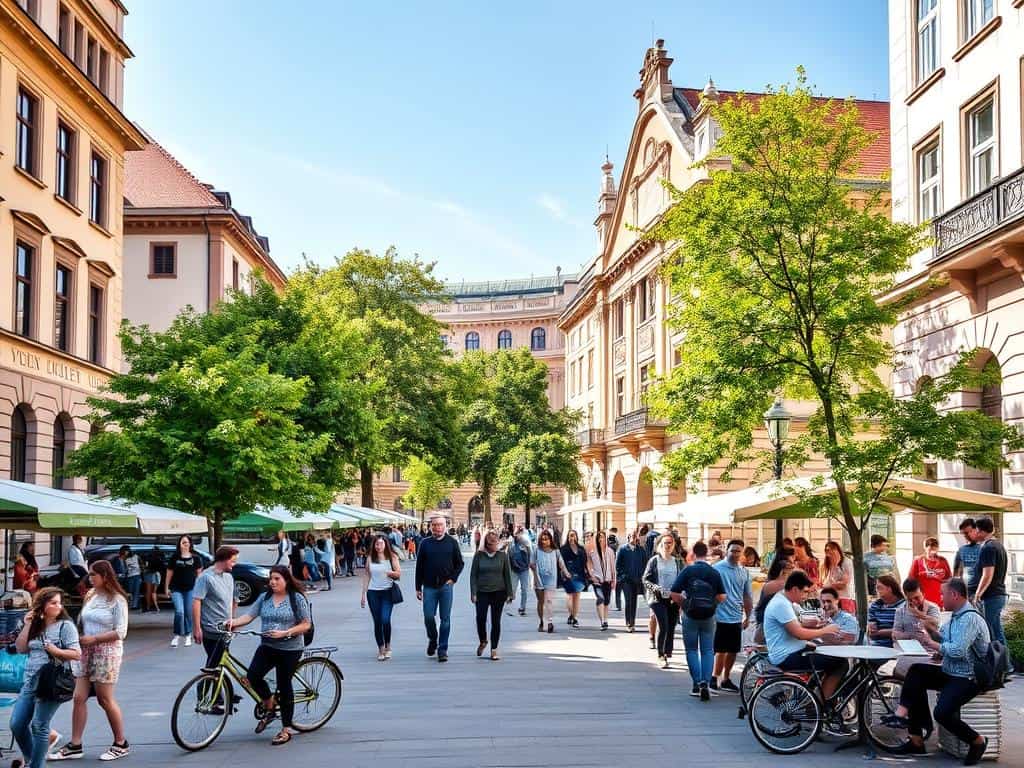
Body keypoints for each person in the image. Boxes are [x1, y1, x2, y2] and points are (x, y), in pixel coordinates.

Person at [881, 578, 990, 763]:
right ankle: (913, 736)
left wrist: (933, 644)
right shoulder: (956, 617)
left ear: (954, 595)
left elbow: (957, 650)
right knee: (916, 673)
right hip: (952, 671)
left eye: (943, 594)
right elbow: (948, 642)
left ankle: (977, 741)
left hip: (969, 677)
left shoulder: (969, 618)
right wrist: (934, 637)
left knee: (942, 713)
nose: (940, 598)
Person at [51, 560, 130, 762]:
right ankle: (75, 744)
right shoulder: (90, 595)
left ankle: (121, 742)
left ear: (105, 576)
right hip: (85, 650)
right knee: (78, 698)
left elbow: (121, 632)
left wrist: (95, 638)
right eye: (90, 574)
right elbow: (82, 621)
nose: (90, 578)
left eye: (94, 575)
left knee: (105, 699)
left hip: (107, 652)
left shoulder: (117, 600)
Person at [227, 565, 311, 746]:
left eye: (277, 579)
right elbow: (249, 616)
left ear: (286, 580)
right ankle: (270, 706)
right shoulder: (264, 597)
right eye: (271, 579)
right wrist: (232, 623)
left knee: (284, 684)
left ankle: (287, 729)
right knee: (252, 677)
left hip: (290, 648)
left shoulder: (296, 598)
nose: (272, 582)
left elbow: (306, 624)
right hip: (267, 646)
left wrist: (286, 632)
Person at [11, 588, 81, 768]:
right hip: (30, 681)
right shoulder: (34, 625)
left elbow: (76, 654)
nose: (58, 606)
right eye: (53, 603)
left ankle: (36, 765)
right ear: (42, 606)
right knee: (17, 724)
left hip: (51, 681)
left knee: (39, 725)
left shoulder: (66, 626)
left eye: (59, 603)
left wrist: (56, 651)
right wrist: (27, 624)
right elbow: (20, 648)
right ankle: (31, 759)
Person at [762, 571, 844, 700]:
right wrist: (826, 630)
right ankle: (821, 704)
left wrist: (813, 626)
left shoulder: (783, 600)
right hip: (786, 656)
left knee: (821, 651)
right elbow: (799, 634)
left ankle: (808, 697)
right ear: (794, 589)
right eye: (805, 592)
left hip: (789, 651)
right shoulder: (781, 604)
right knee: (841, 663)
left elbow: (794, 627)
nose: (806, 596)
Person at [671, 541, 726, 698]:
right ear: (707, 553)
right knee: (708, 650)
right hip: (709, 615)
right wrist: (712, 604)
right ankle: (706, 682)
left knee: (691, 650)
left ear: (693, 554)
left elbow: (674, 593)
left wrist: (686, 605)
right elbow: (722, 596)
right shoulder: (714, 572)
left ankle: (697, 683)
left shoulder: (688, 571)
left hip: (691, 615)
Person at [415, 515, 464, 663]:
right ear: (431, 527)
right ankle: (433, 639)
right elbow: (419, 566)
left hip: (446, 587)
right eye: (434, 525)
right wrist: (418, 587)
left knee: (445, 619)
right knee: (428, 616)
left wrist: (453, 578)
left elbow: (460, 563)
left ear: (445, 526)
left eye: (440, 525)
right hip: (429, 586)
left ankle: (442, 649)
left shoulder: (452, 542)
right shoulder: (425, 543)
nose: (437, 527)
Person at [710, 539, 753, 694]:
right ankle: (714, 677)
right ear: (726, 551)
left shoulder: (744, 572)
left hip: (736, 616)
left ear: (742, 553)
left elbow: (747, 595)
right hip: (719, 616)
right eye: (732, 550)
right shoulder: (716, 569)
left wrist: (748, 616)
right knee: (720, 649)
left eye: (738, 551)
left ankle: (726, 678)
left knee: (733, 650)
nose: (735, 554)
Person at [192, 547, 238, 672]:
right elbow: (197, 601)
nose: (234, 564)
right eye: (232, 561)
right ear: (224, 560)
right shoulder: (206, 577)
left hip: (226, 629)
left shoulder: (229, 577)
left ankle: (219, 689)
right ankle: (203, 690)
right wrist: (197, 628)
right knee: (214, 664)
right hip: (212, 628)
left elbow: (233, 600)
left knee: (219, 664)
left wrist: (233, 620)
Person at [643, 534, 685, 670]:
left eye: (670, 543)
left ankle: (667, 652)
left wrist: (682, 594)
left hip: (672, 598)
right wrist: (656, 588)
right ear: (659, 545)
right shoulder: (654, 561)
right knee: (664, 625)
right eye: (665, 543)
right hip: (657, 598)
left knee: (671, 626)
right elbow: (645, 579)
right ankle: (661, 655)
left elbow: (684, 578)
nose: (668, 545)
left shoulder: (678, 561)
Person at [470, 531, 513, 661]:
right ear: (486, 544)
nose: (494, 545)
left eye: (496, 542)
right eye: (491, 543)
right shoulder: (479, 556)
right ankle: (483, 640)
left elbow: (507, 575)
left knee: (496, 621)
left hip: (499, 591)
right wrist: (473, 592)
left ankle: (494, 649)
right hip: (482, 592)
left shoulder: (502, 556)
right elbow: (473, 575)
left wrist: (510, 593)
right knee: (480, 618)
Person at [360, 534, 401, 660]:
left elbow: (398, 574)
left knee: (385, 619)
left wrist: (390, 573)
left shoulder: (392, 557)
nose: (379, 546)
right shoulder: (370, 558)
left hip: (387, 592)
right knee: (377, 621)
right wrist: (363, 594)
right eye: (376, 544)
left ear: (386, 544)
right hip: (373, 592)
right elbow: (367, 575)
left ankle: (388, 646)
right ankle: (381, 649)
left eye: (381, 544)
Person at [891, 577, 941, 678]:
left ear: (923, 594)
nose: (914, 602)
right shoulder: (901, 611)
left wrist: (918, 614)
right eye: (910, 599)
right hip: (908, 652)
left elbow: (935, 625)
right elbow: (895, 635)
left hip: (929, 652)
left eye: (917, 598)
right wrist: (912, 636)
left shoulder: (932, 608)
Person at [970, 516, 1008, 645]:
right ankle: (1005, 664)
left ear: (980, 531)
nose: (974, 533)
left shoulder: (988, 548)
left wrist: (977, 594)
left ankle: (1001, 664)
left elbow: (987, 574)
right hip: (996, 595)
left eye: (975, 530)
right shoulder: (998, 545)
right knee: (996, 633)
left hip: (991, 596)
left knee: (988, 633)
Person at [164, 535, 202, 648]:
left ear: (190, 544)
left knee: (188, 612)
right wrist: (166, 588)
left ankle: (188, 635)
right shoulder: (174, 558)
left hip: (191, 589)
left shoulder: (196, 558)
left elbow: (199, 575)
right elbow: (169, 573)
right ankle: (177, 635)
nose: (185, 544)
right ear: (179, 544)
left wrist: (199, 590)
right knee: (179, 611)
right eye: (182, 542)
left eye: (186, 542)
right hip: (176, 588)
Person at [616, 530, 647, 633]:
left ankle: (632, 622)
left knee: (634, 602)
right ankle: (628, 623)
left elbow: (645, 564)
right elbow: (618, 565)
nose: (633, 538)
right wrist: (623, 576)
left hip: (637, 580)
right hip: (626, 581)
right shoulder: (623, 549)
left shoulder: (641, 550)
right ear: (628, 537)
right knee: (628, 601)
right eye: (631, 536)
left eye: (635, 536)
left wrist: (642, 576)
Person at [908, 537, 952, 608]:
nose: (933, 551)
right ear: (925, 548)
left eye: (935, 549)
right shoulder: (918, 561)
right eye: (930, 549)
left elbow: (949, 578)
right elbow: (911, 579)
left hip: (938, 598)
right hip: (922, 598)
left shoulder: (942, 561)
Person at [867, 573, 906, 648]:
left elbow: (905, 631)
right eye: (876, 588)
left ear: (889, 589)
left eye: (879, 588)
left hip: (899, 646)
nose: (876, 590)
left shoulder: (905, 605)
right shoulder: (875, 605)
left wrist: (879, 632)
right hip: (877, 646)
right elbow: (872, 633)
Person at [587, 530, 616, 631]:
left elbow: (613, 567)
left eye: (602, 537)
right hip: (597, 581)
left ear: (605, 539)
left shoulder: (610, 552)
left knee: (607, 601)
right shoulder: (593, 552)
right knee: (601, 599)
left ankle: (605, 620)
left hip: (608, 580)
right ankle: (602, 621)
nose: (600, 539)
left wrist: (614, 580)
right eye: (599, 537)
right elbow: (589, 565)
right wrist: (592, 576)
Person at [559, 530, 587, 628]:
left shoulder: (581, 549)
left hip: (579, 575)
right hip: (568, 575)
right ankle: (572, 615)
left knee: (577, 597)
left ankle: (574, 617)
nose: (572, 537)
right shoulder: (563, 549)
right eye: (570, 536)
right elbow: (560, 563)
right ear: (567, 537)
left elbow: (585, 562)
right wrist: (564, 573)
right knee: (570, 596)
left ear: (576, 537)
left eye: (573, 535)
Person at [507, 532, 532, 617]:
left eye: (519, 535)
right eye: (516, 536)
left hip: (524, 570)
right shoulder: (511, 546)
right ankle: (510, 599)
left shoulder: (526, 546)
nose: (518, 537)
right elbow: (509, 558)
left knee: (524, 589)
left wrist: (528, 564)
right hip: (515, 570)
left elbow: (529, 556)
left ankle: (522, 607)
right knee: (512, 588)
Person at [953, 518, 980, 596]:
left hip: (983, 591)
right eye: (964, 533)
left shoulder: (985, 547)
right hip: (967, 591)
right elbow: (956, 573)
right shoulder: (961, 550)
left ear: (976, 530)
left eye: (969, 532)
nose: (967, 535)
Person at [141, 546, 164, 613]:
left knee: (148, 591)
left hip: (149, 574)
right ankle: (156, 607)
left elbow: (146, 567)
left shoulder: (149, 557)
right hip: (157, 574)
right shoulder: (160, 557)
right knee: (154, 592)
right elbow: (162, 566)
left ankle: (148, 606)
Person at [117, 546, 141, 611]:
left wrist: (141, 570)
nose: (127, 552)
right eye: (126, 551)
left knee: (136, 590)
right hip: (129, 576)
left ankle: (134, 605)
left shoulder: (136, 556)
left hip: (137, 575)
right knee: (130, 591)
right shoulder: (125, 559)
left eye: (128, 551)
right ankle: (131, 604)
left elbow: (141, 563)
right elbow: (124, 568)